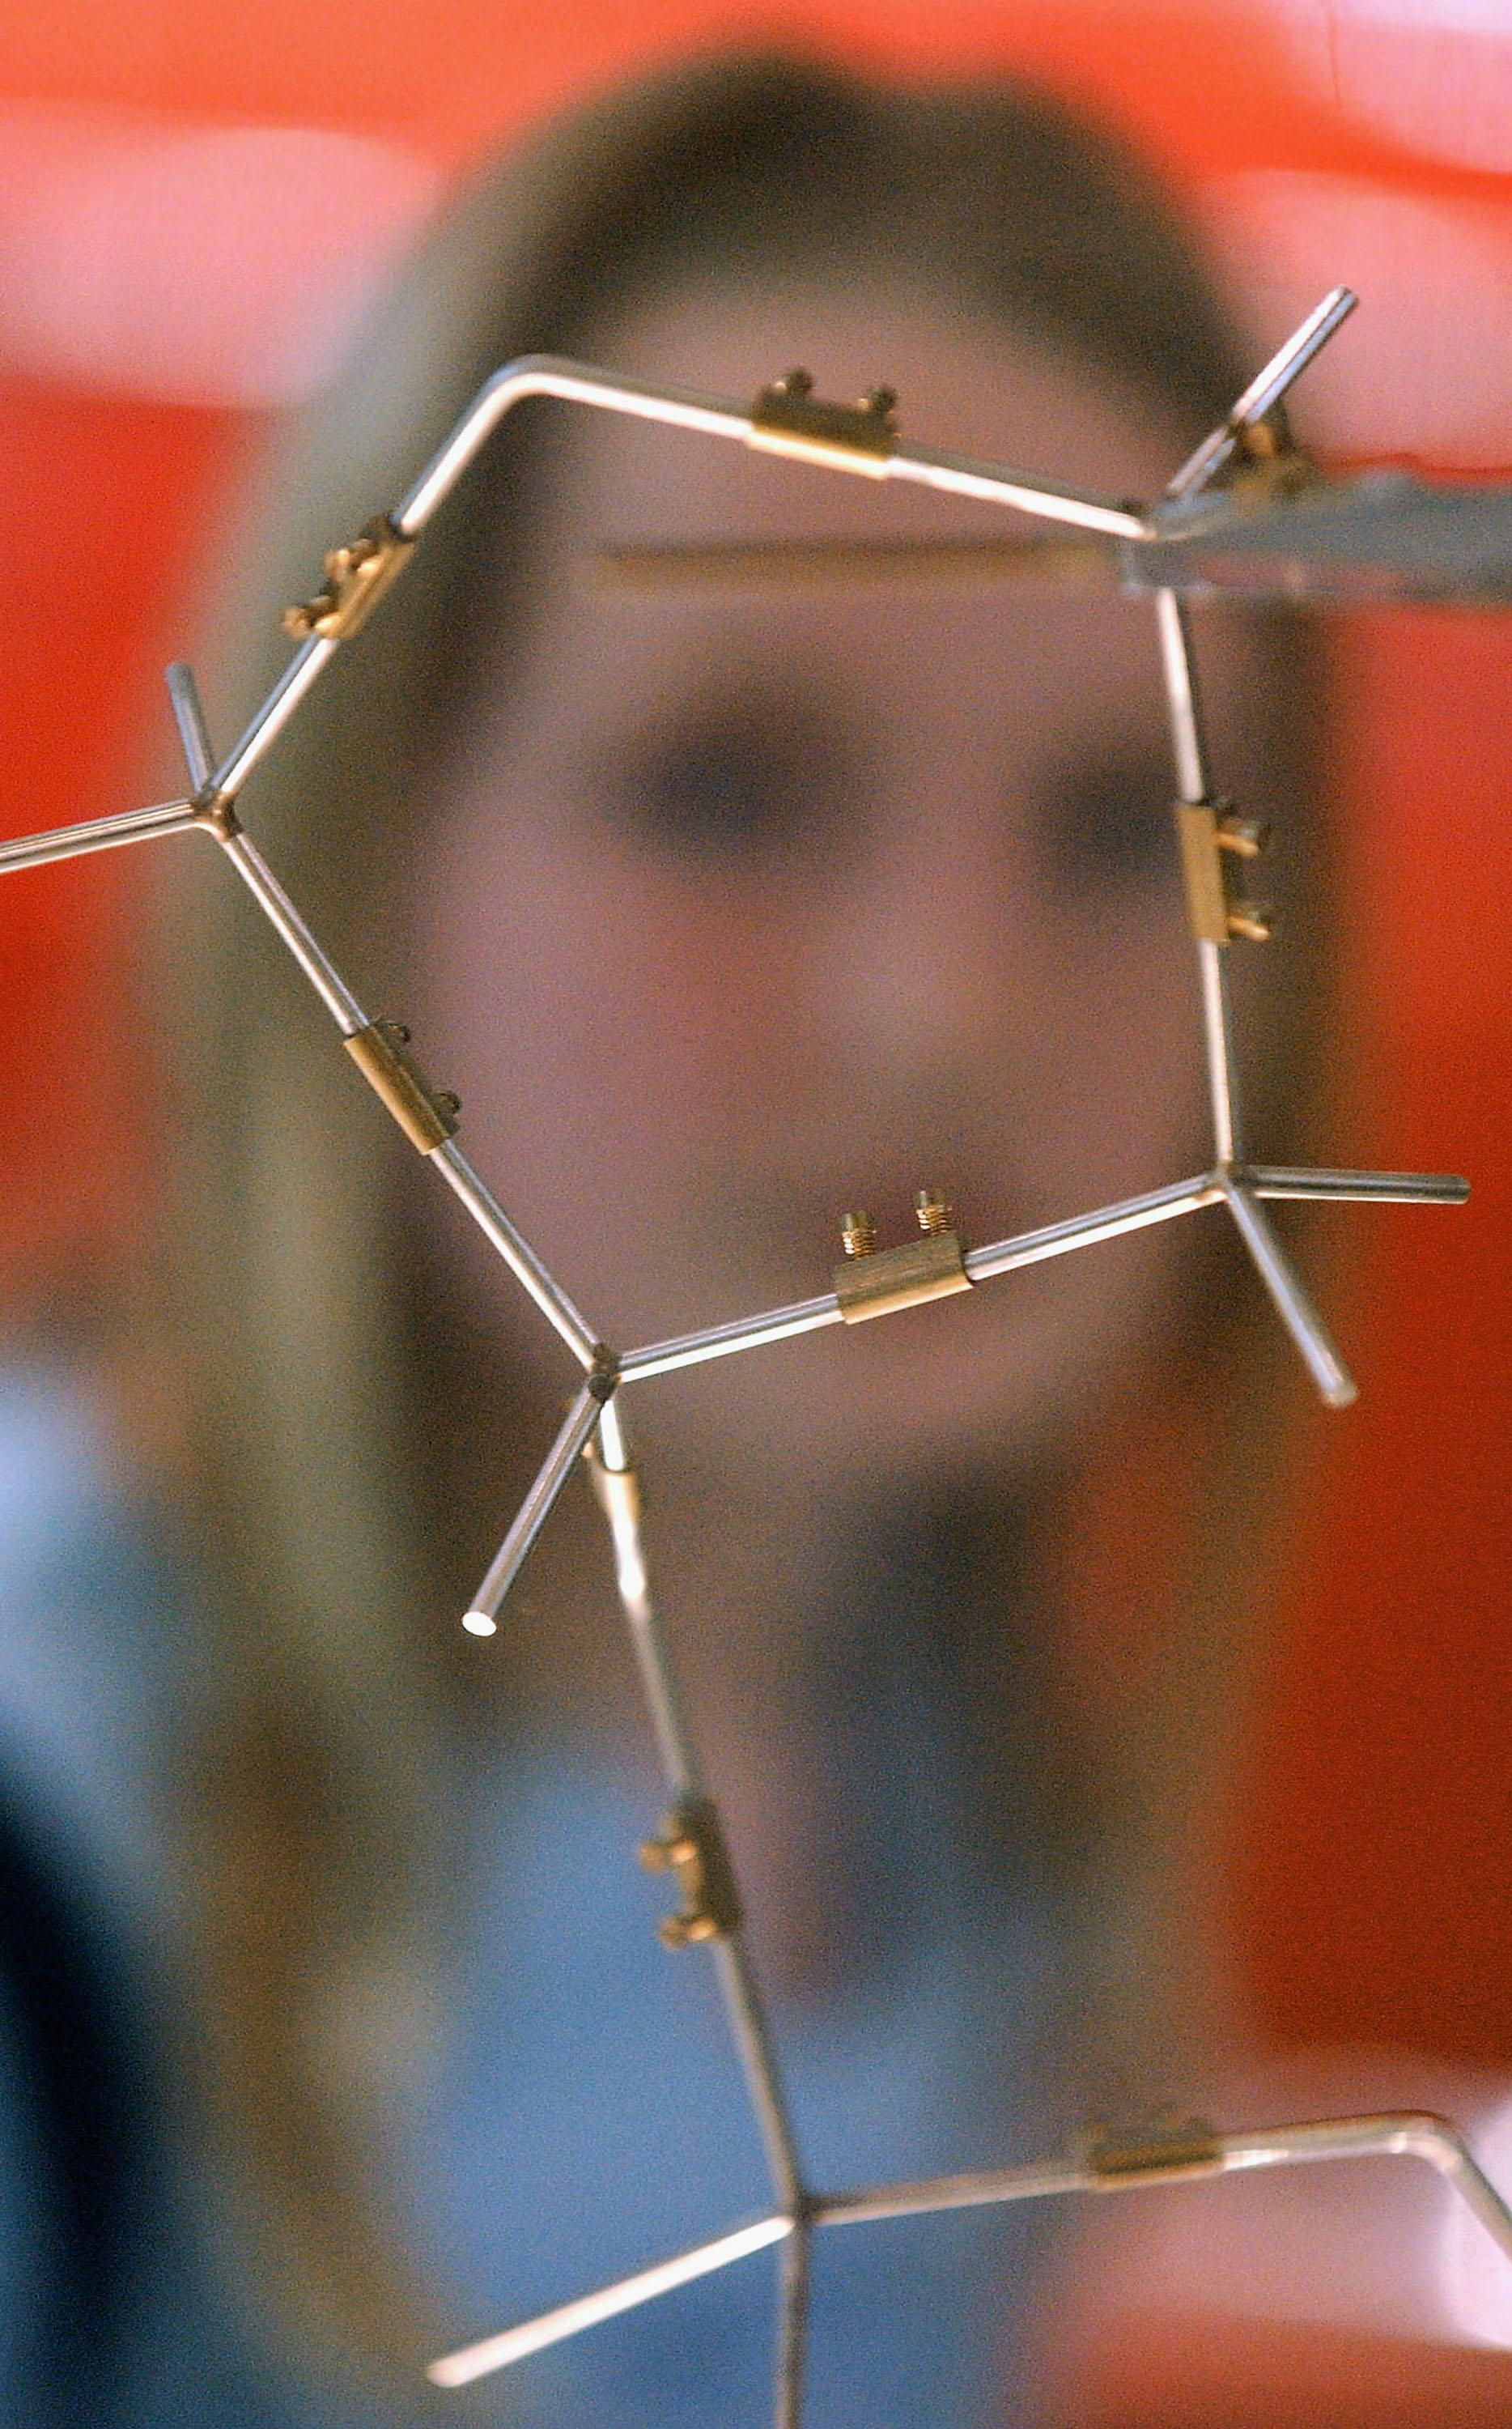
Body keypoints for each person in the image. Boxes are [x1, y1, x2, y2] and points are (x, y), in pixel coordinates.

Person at [159, 45, 1336, 2427]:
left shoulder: (932, 1713)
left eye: (1123, 827)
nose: (939, 1020)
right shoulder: (61, 1859)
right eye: (727, 786)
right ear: (355, 844)